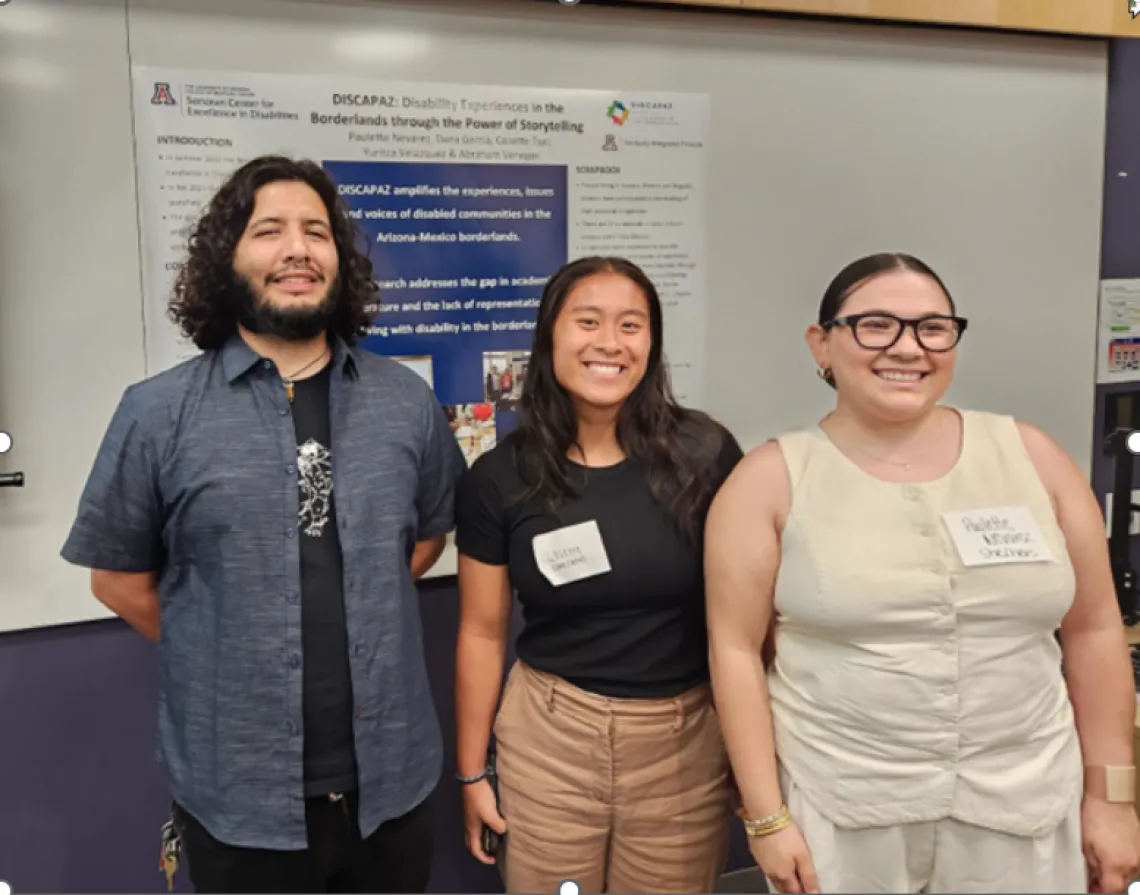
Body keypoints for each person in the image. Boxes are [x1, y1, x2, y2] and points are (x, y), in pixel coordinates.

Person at [60, 155, 466, 893]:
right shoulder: (157, 414)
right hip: (238, 800)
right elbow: (117, 579)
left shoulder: (405, 403)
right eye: (268, 230)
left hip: (393, 789)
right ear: (228, 258)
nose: (297, 250)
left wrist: (348, 605)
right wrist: (226, 640)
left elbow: (425, 538)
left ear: (340, 259)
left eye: (317, 231)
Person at [704, 251, 1140, 894]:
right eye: (876, 325)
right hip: (844, 813)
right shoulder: (771, 479)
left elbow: (1096, 631)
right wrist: (766, 819)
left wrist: (1115, 798)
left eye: (933, 328)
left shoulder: (1032, 457)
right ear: (821, 344)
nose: (907, 347)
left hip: (1026, 804)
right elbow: (735, 652)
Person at [453, 256, 743, 894]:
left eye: (631, 325)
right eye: (588, 321)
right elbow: (479, 630)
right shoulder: (499, 477)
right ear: (550, 337)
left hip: (683, 743)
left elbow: (747, 626)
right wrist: (473, 773)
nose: (610, 343)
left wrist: (756, 765)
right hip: (551, 739)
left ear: (652, 344)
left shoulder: (708, 455)